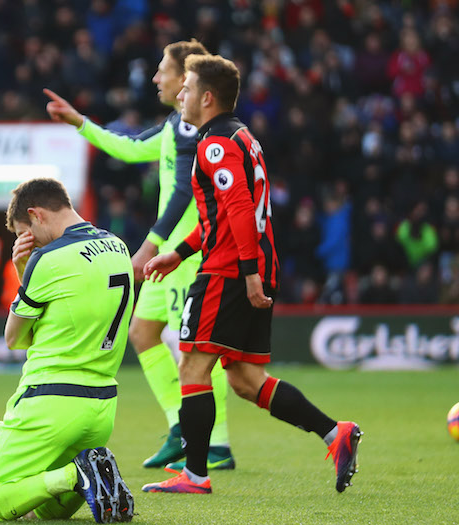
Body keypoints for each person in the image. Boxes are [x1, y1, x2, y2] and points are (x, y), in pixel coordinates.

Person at [142, 54, 362, 495]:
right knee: (244, 379)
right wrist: (179, 252)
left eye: (186, 89)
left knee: (192, 364)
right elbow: (223, 217)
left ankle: (196, 475)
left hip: (229, 271)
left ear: (207, 97)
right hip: (247, 264)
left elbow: (240, 208)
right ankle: (335, 433)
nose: (179, 96)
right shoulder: (241, 136)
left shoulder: (214, 145)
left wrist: (247, 273)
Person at [44, 39, 236, 472]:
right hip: (174, 251)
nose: (155, 78)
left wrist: (150, 243)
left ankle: (217, 442)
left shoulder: (193, 128)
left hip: (188, 252)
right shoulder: (175, 125)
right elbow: (130, 147)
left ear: (185, 76)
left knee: (195, 347)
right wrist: (81, 123)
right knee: (144, 333)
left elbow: (186, 190)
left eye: (162, 71)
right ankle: (181, 427)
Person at [0, 178, 135, 523]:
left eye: (22, 233)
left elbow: (14, 338)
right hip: (101, 410)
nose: (24, 243)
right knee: (42, 510)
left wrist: (21, 270)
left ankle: (77, 475)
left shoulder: (48, 258)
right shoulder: (118, 246)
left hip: (49, 402)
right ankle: (85, 474)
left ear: (36, 215)